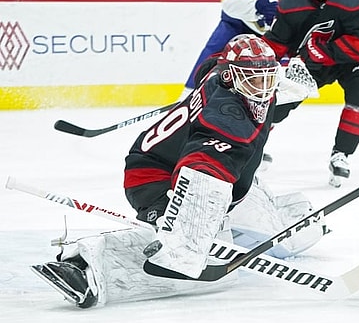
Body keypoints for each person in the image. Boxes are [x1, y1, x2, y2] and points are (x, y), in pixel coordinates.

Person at [30, 34, 326, 308]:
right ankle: (86, 265)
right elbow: (200, 165)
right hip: (154, 177)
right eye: (253, 80)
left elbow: (253, 86)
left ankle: (296, 216)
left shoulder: (234, 81)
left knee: (281, 236)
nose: (262, 88)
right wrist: (189, 229)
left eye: (267, 78)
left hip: (227, 181)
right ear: (230, 77)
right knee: (187, 253)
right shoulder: (223, 117)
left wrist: (294, 86)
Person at [261, 0, 359, 188]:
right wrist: (259, 58)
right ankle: (253, 144)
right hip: (311, 62)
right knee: (279, 98)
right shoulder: (292, 1)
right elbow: (278, 42)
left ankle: (341, 154)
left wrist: (324, 51)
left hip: (349, 60)